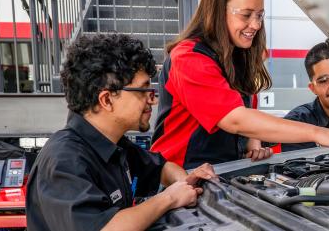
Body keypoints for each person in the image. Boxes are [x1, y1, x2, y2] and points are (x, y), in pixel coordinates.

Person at [150, 0, 329, 169]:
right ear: (217, 11)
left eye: (259, 15)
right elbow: (234, 118)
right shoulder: (189, 58)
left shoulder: (235, 57)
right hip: (179, 177)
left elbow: (245, 113)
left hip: (220, 172)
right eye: (246, 15)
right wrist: (318, 133)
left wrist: (251, 141)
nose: (255, 25)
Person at [26, 34, 217, 231]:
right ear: (107, 100)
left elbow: (161, 168)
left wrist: (186, 182)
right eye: (144, 91)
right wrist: (169, 197)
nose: (153, 100)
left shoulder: (114, 145)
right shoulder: (64, 160)